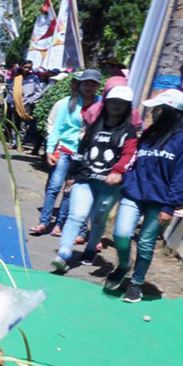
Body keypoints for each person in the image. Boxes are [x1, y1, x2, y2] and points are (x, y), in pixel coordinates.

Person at [107, 89, 183, 303]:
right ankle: (123, 265)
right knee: (121, 233)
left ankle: (136, 283)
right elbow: (136, 160)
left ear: (170, 112)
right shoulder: (149, 133)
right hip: (135, 192)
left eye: (159, 108)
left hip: (161, 201)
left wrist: (170, 206)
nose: (154, 112)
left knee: (146, 242)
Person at [50, 85, 137, 274]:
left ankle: (91, 248)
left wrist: (118, 171)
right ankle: (64, 254)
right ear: (106, 104)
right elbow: (81, 151)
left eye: (121, 103)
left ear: (127, 107)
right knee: (76, 215)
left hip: (109, 184)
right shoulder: (95, 126)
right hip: (86, 179)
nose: (116, 106)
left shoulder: (128, 131)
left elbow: (129, 154)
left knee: (98, 218)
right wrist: (72, 176)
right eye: (113, 102)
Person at [30, 70, 102, 236]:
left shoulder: (101, 105)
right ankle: (44, 222)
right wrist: (49, 150)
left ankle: (59, 225)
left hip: (84, 154)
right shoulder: (67, 103)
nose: (89, 87)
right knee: (54, 186)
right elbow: (56, 128)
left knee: (70, 190)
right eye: (86, 83)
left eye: (93, 84)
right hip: (64, 149)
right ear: (80, 84)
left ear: (97, 86)